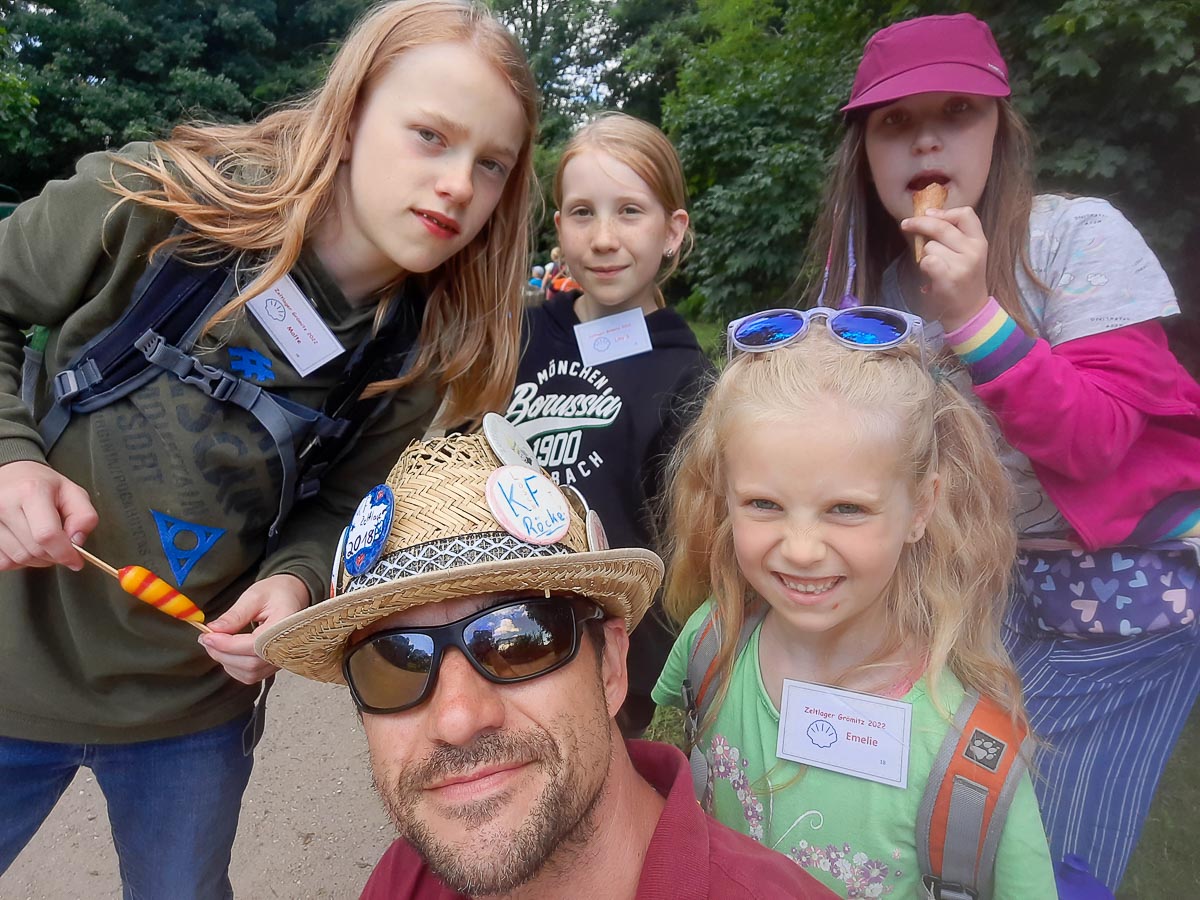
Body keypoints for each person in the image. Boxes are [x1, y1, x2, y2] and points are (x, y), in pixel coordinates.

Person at [0, 1, 539, 896]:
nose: (456, 185)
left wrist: (293, 583)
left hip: (188, 716)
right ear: (350, 116)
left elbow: (345, 508)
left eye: (491, 164)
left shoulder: (412, 353)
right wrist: (11, 456)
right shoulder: (158, 203)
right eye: (430, 136)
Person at [801, 12, 1200, 891]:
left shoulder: (1076, 237)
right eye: (895, 122)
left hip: (1122, 594)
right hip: (977, 582)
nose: (926, 139)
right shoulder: (876, 291)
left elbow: (1096, 442)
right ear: (865, 154)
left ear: (999, 130)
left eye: (958, 111)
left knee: (1045, 850)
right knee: (946, 818)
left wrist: (975, 315)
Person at [254, 429, 836, 899]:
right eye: (394, 662)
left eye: (518, 642)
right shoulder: (404, 879)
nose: (456, 719)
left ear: (611, 667)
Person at [653, 315, 1056, 898]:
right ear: (724, 494)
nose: (801, 549)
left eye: (846, 509)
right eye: (764, 504)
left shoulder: (967, 763)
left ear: (922, 506)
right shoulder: (711, 643)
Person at [503, 112, 714, 736]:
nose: (603, 238)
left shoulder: (687, 376)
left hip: (617, 652)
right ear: (558, 226)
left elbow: (689, 544)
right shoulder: (518, 337)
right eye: (582, 212)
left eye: (629, 211)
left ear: (672, 231)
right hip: (509, 621)